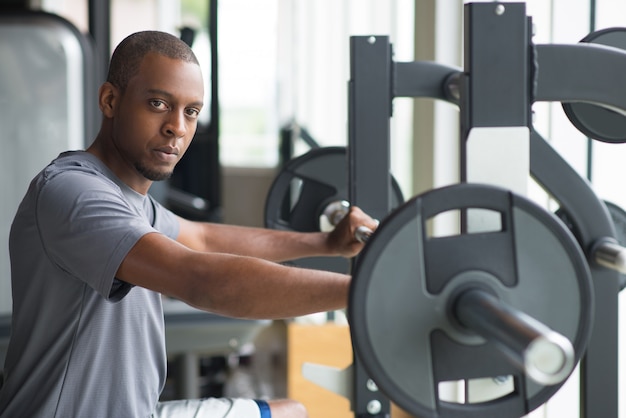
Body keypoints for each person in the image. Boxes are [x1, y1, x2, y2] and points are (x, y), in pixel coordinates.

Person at [0, 30, 378, 418]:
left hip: (136, 411)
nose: (177, 128)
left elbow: (204, 237)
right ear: (110, 100)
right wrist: (367, 293)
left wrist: (325, 242)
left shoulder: (132, 202)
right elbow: (200, 278)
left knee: (291, 411)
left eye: (191, 112)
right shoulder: (74, 192)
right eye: (159, 103)